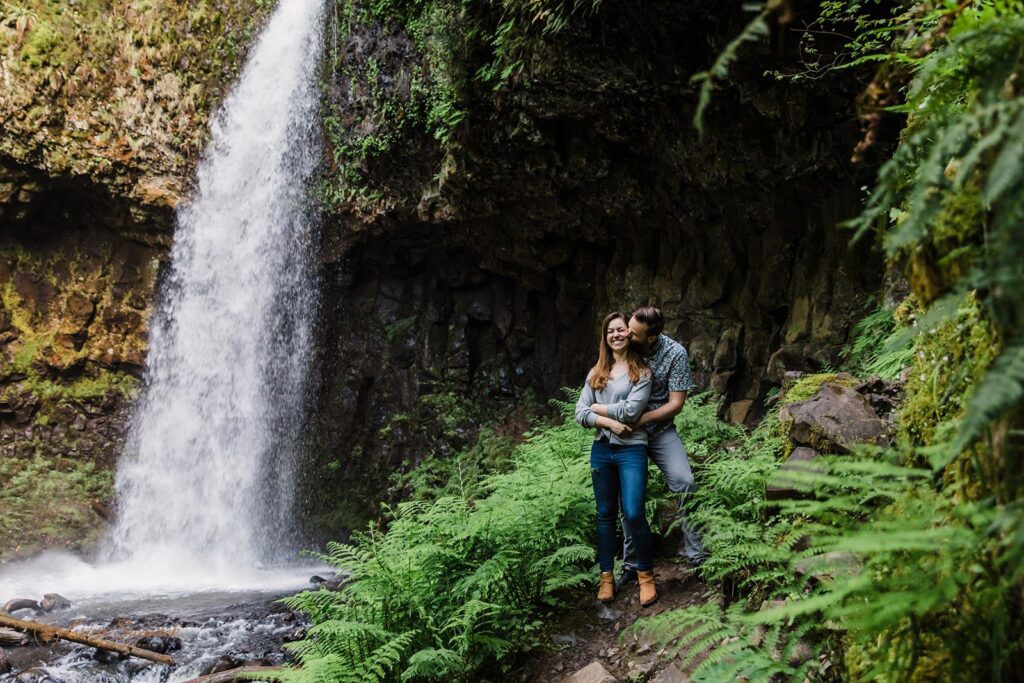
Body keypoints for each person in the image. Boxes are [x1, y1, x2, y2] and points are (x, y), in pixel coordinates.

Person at [617, 305, 703, 591]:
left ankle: (697, 556)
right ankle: (631, 565)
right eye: (627, 327)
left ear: (651, 337)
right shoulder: (622, 345)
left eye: (634, 332)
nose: (627, 334)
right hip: (627, 434)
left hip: (659, 430)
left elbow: (676, 404)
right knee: (628, 497)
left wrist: (642, 420)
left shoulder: (675, 353)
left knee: (684, 481)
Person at [575, 312, 658, 607]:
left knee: (634, 512)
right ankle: (606, 577)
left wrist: (597, 407)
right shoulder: (596, 372)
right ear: (605, 336)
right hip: (602, 449)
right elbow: (579, 413)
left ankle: (645, 575)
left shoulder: (643, 373)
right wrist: (608, 423)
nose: (616, 334)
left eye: (620, 329)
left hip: (632, 448)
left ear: (629, 334)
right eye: (610, 331)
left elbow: (633, 412)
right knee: (605, 514)